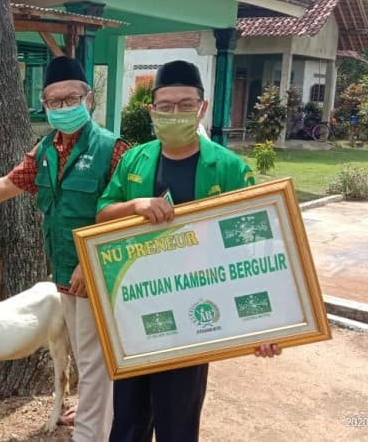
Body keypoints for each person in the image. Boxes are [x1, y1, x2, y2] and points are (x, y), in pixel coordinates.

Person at [0, 55, 130, 442]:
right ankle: (91, 413)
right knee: (87, 359)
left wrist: (93, 261)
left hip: (97, 275)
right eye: (55, 101)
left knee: (92, 360)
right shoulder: (47, 150)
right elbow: (8, 183)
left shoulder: (112, 149)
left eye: (73, 98)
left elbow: (125, 213)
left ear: (89, 99)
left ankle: (91, 435)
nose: (64, 107)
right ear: (45, 105)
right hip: (65, 275)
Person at [95, 60, 282, 442]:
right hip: (137, 309)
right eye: (165, 106)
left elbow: (259, 249)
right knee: (127, 422)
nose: (175, 113)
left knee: (177, 423)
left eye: (185, 104)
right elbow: (101, 217)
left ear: (203, 107)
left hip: (197, 314)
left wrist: (266, 324)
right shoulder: (135, 159)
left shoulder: (229, 169)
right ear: (152, 110)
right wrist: (135, 206)